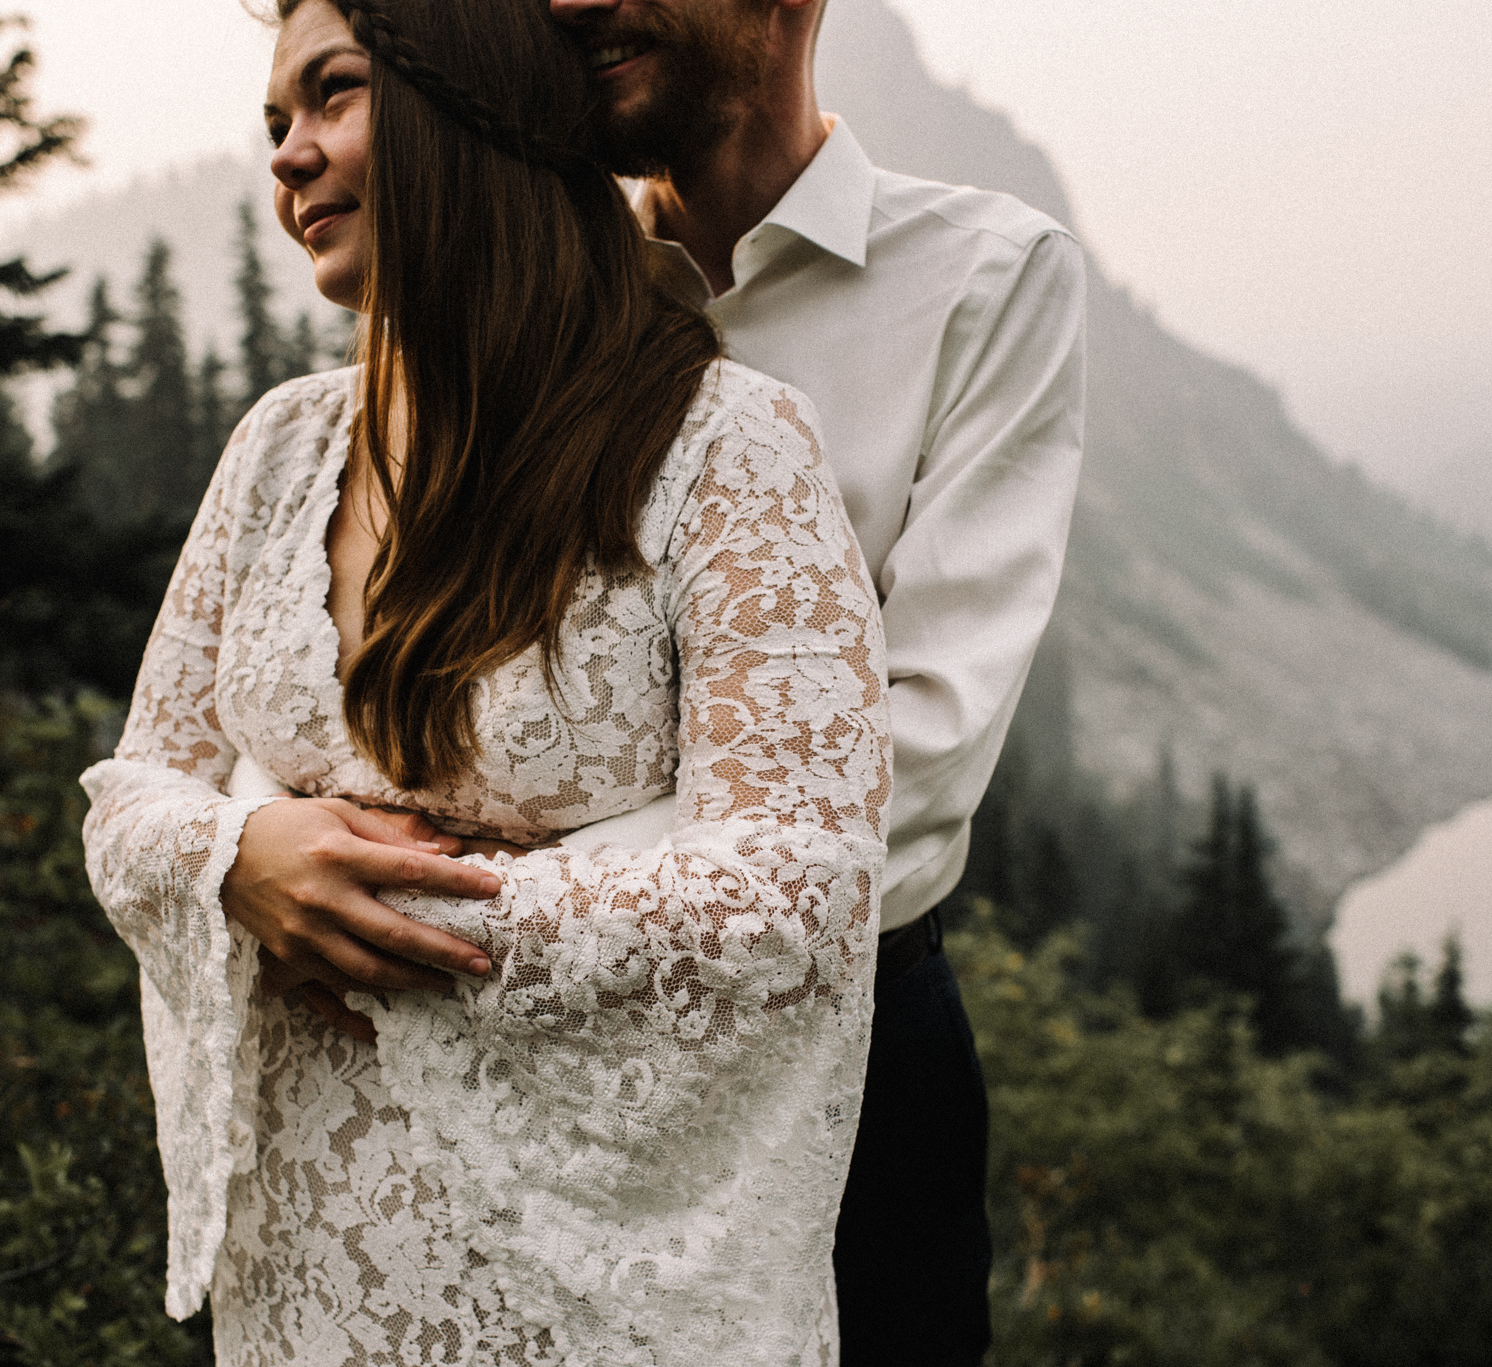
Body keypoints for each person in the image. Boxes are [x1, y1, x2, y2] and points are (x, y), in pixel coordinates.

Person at [80, 0, 891, 1361]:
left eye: (330, 94)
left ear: (478, 98)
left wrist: (385, 909)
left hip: (594, 1294)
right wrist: (239, 856)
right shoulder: (280, 449)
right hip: (308, 1285)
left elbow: (800, 875)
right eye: (275, 121)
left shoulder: (723, 444)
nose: (288, 153)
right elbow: (132, 792)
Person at [546, 3, 1087, 1363]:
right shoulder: (545, 292)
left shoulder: (986, 277)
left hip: (846, 1056)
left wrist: (496, 904)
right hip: (547, 1063)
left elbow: (919, 750)